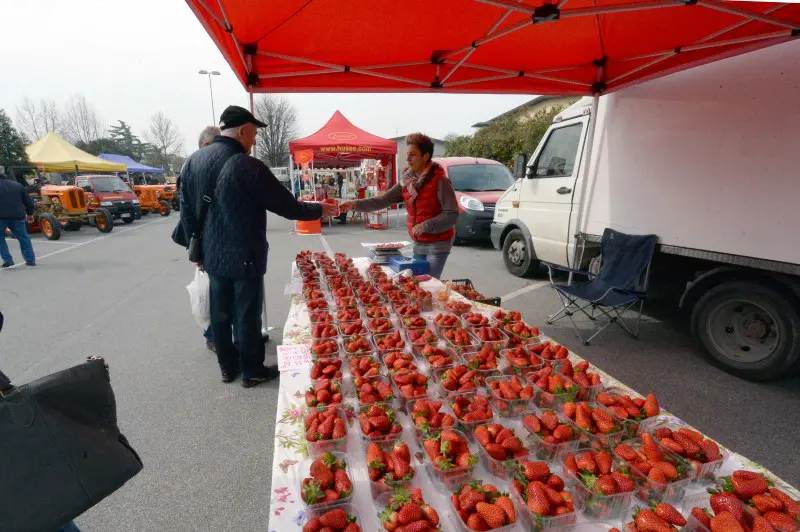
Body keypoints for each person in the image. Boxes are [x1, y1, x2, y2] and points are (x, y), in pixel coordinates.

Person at [180, 105, 336, 387]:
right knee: (247, 314)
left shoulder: (193, 161)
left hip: (212, 256)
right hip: (244, 255)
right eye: (253, 134)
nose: (254, 141)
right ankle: (252, 370)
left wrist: (196, 249)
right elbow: (286, 205)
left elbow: (186, 210)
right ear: (242, 131)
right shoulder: (246, 165)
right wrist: (318, 210)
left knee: (221, 313)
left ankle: (228, 367)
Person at [340, 133, 458, 278]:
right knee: (416, 282)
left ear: (425, 156)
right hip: (419, 241)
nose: (407, 159)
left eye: (413, 155)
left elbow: (451, 214)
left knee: (428, 283)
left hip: (439, 243)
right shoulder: (407, 182)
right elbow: (383, 201)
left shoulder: (440, 181)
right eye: (407, 154)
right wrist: (355, 204)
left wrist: (425, 226)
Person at [0, 165, 36, 268]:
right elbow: (28, 202)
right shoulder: (17, 185)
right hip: (17, 216)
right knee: (23, 237)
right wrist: (30, 214)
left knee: (0, 239)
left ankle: (8, 260)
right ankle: (30, 260)